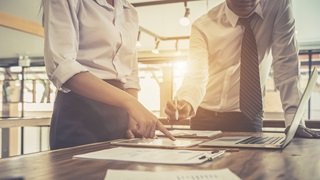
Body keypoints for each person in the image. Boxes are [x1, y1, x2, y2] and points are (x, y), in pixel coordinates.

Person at [165, 0, 320, 138]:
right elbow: (196, 74)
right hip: (204, 115)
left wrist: (294, 120)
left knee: (251, 167)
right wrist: (187, 101)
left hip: (248, 115)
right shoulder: (202, 25)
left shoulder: (278, 6)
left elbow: (286, 63)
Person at [42, 0, 174, 150]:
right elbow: (62, 65)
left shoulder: (128, 10)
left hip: (120, 113)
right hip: (80, 108)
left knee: (121, 171)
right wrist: (131, 103)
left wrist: (132, 117)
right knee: (80, 171)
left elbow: (130, 72)